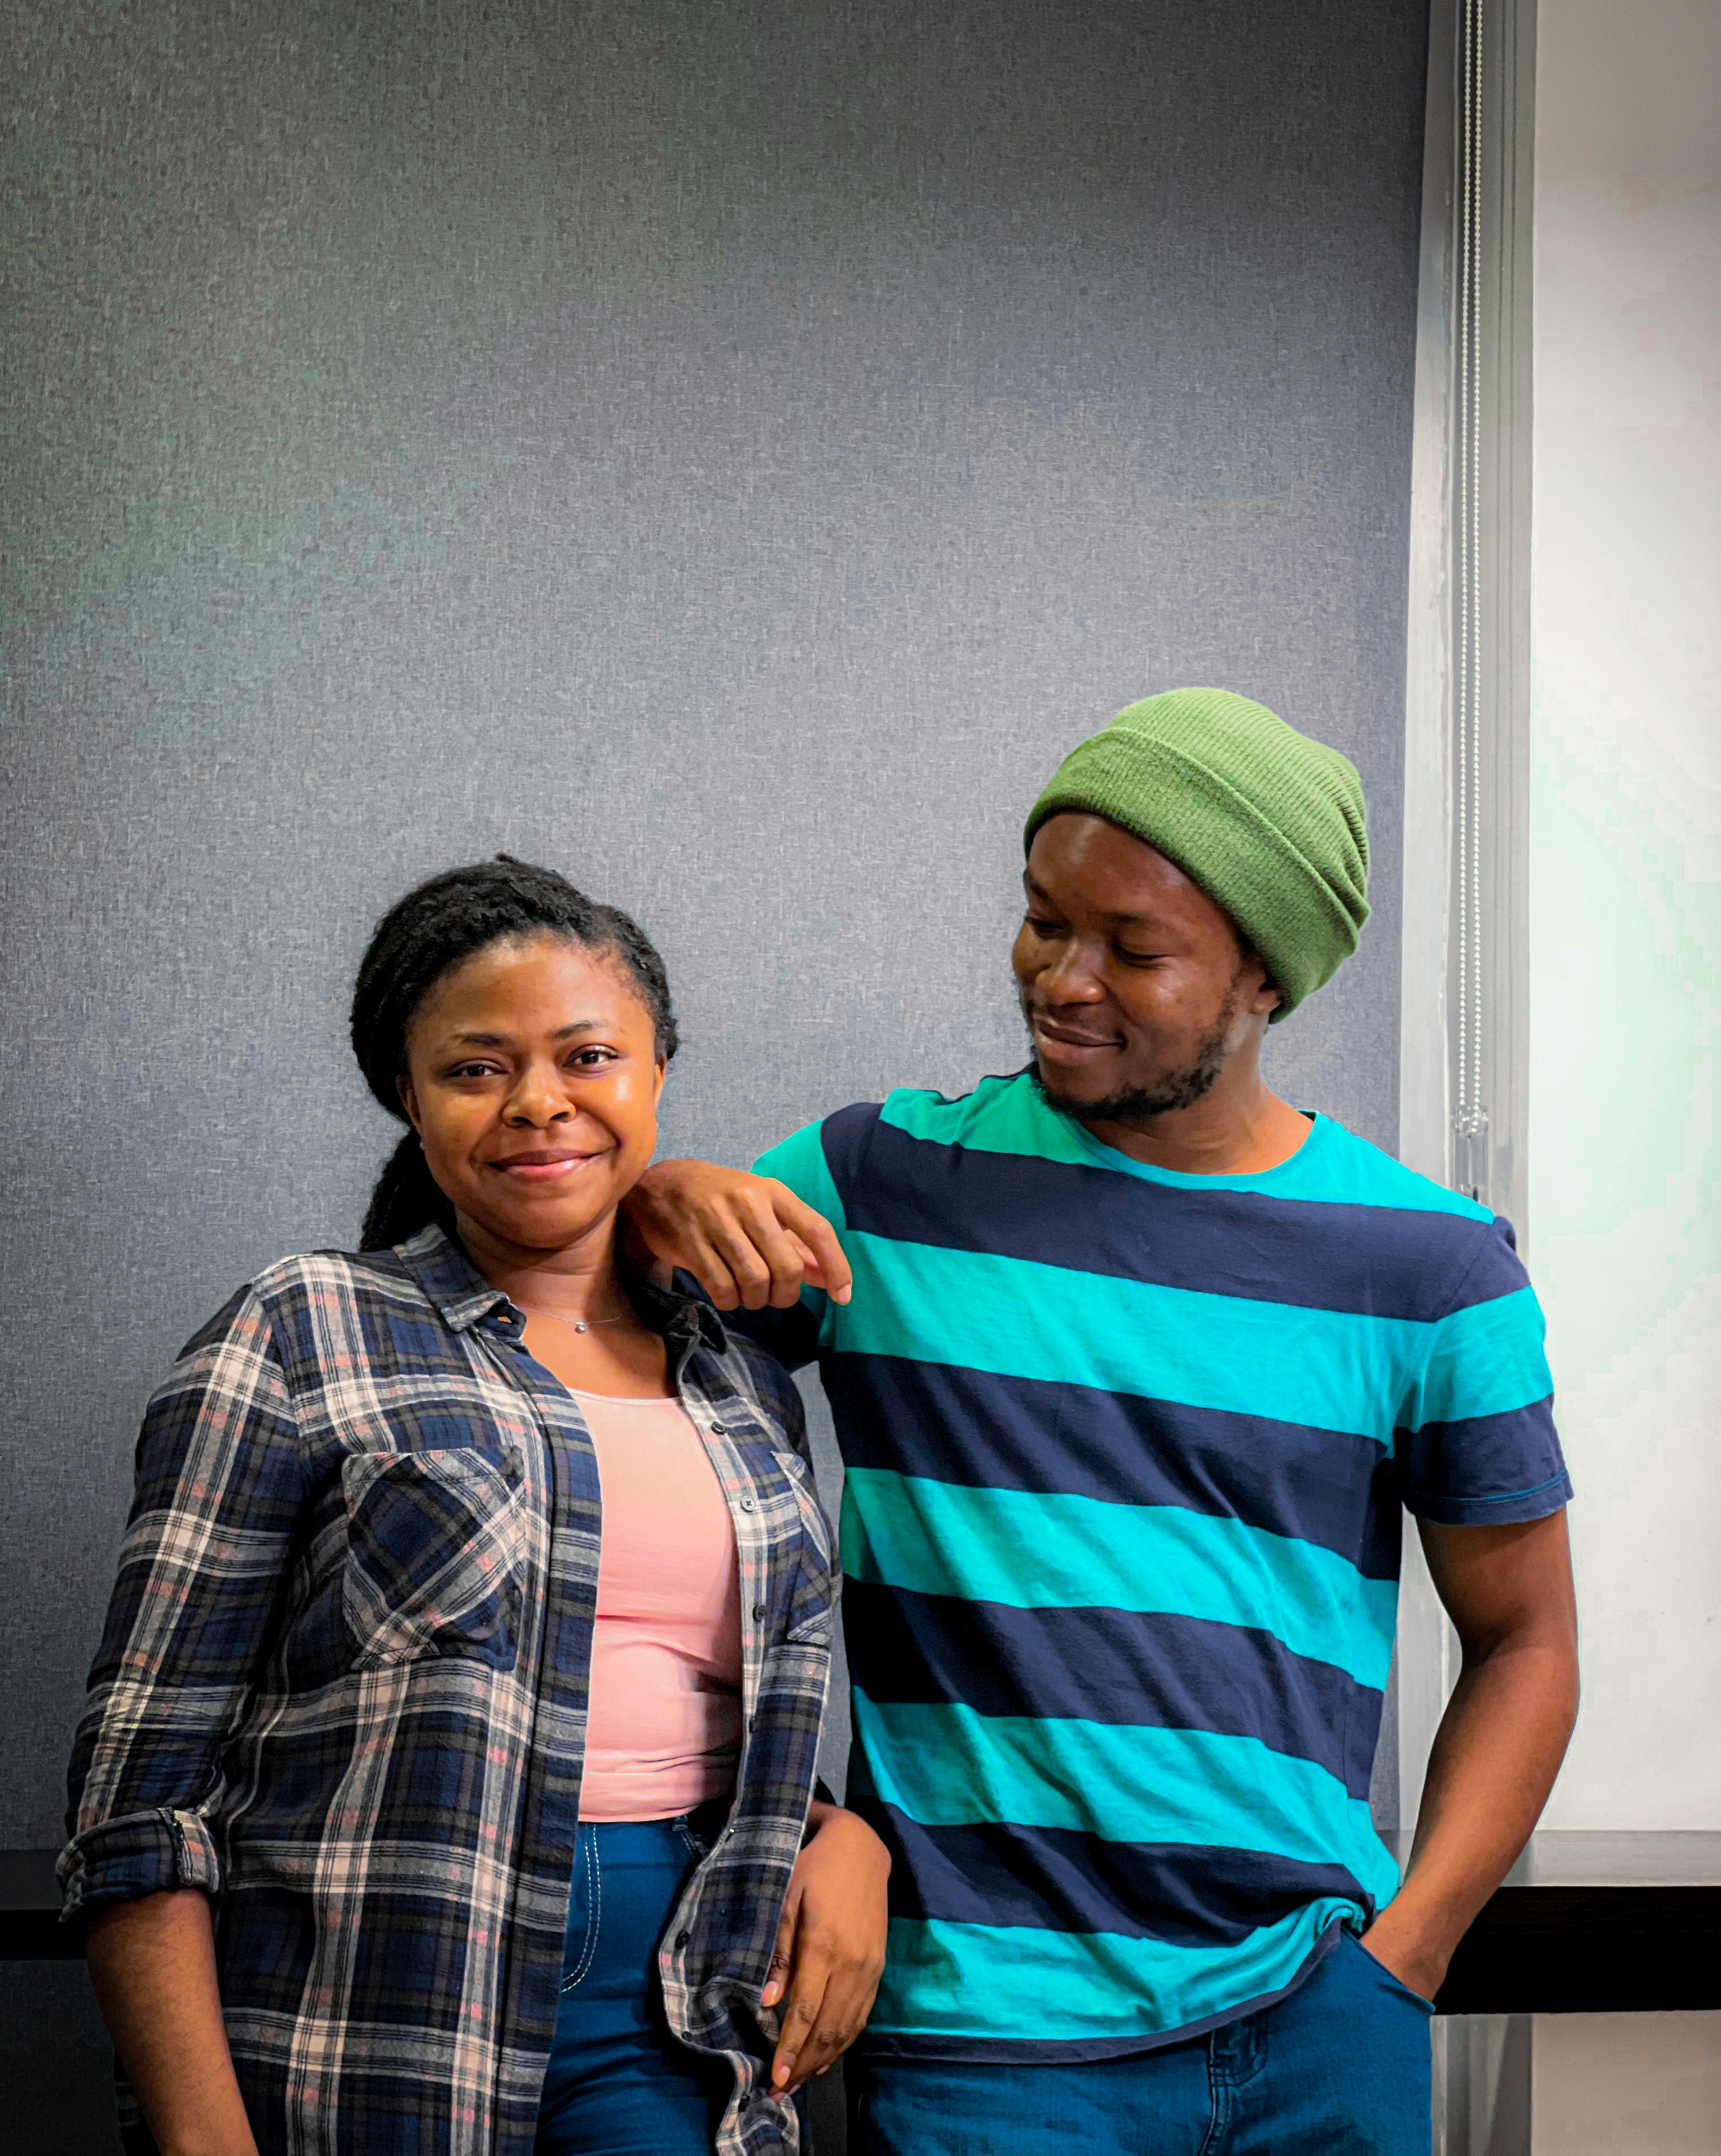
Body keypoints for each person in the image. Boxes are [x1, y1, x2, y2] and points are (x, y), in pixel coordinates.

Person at [622, 690, 1581, 2156]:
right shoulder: (875, 1186)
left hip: (1317, 2028)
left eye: (1133, 949)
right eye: (1041, 920)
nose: (1063, 979)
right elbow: (598, 1442)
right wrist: (648, 1202)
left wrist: (1410, 1957)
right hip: (983, 2049)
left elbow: (1527, 1641)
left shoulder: (1434, 1268)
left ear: (1266, 976)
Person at [61, 856, 889, 2156]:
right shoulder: (300, 1331)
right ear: (410, 1096)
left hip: (679, 2019)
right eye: (476, 1067)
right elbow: (138, 1802)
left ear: (657, 1069)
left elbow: (703, 1703)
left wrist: (849, 1840)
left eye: (589, 1057)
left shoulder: (742, 1381)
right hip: (370, 2025)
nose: (540, 1105)